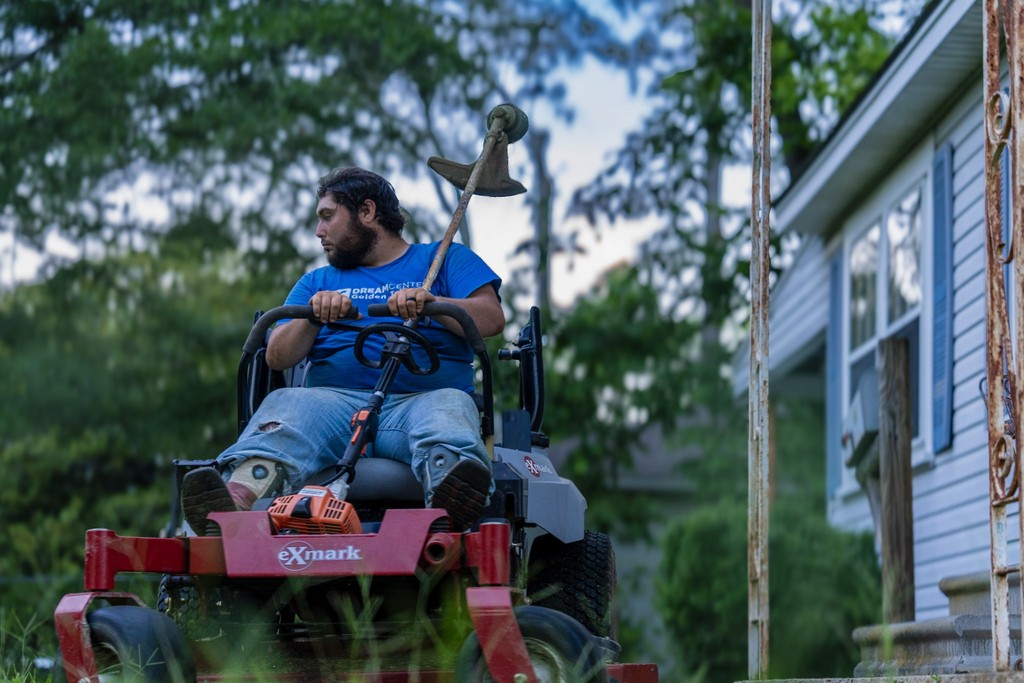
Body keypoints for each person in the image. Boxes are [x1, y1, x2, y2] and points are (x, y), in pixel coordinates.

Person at [181, 166, 505, 534]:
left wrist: (432, 301)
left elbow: (492, 319)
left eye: (327, 216)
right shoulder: (316, 282)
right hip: (332, 408)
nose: (319, 231)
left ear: (367, 212)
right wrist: (313, 318)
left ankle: (451, 509)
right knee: (287, 405)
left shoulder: (444, 259)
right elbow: (276, 356)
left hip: (420, 402)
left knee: (448, 408)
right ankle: (230, 505)